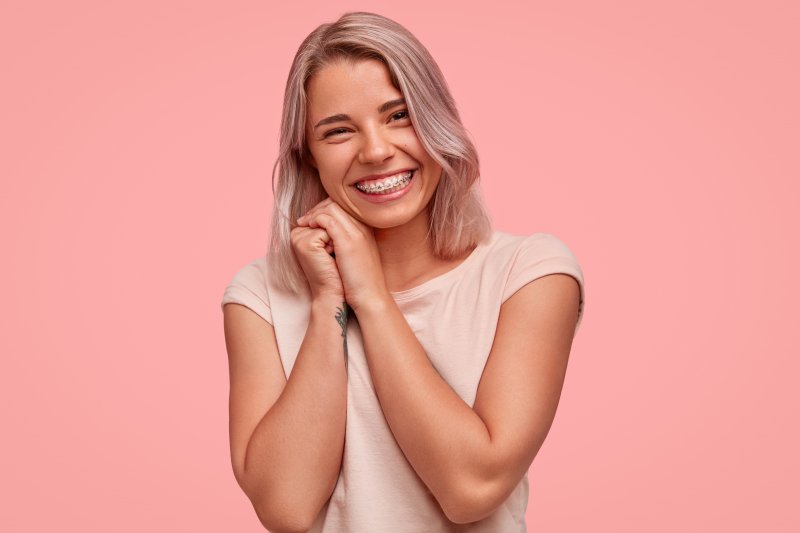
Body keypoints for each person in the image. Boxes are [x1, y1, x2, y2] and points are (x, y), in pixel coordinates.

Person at [221, 11, 585, 532]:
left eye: (398, 116)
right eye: (339, 131)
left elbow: (471, 488)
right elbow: (286, 508)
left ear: (437, 121)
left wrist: (370, 294)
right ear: (309, 159)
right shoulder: (260, 297)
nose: (375, 151)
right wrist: (330, 301)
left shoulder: (530, 275)